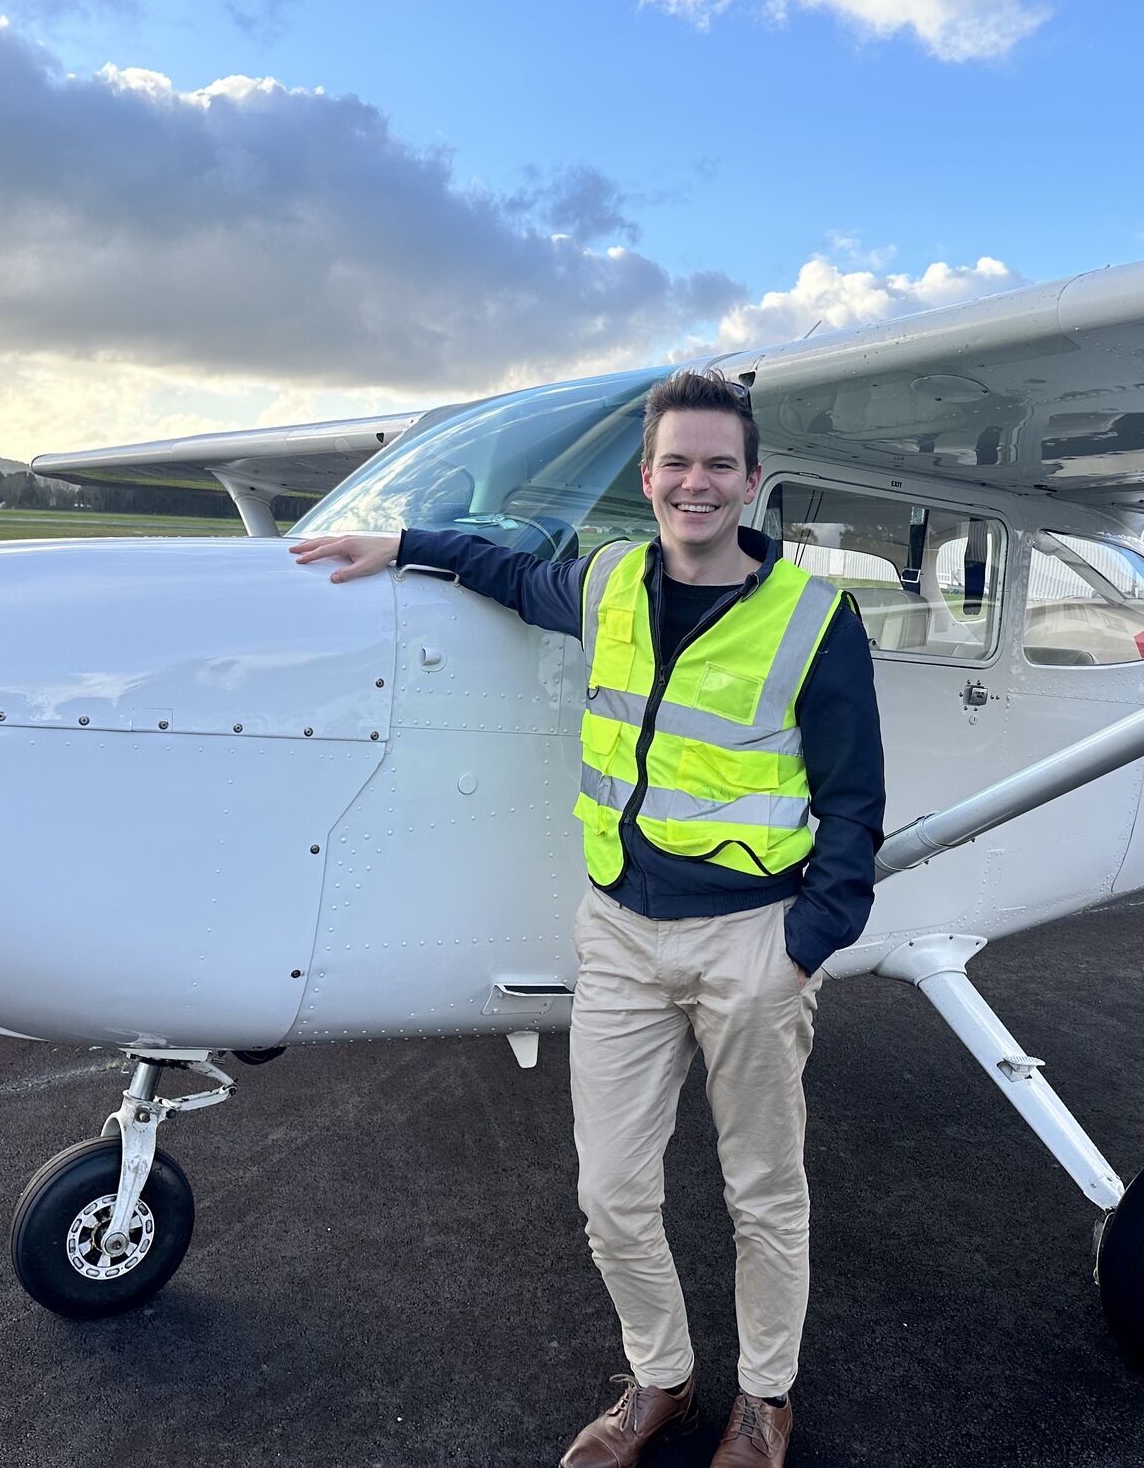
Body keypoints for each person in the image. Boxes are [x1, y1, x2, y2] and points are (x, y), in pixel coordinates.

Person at [291, 369, 884, 1468]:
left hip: (750, 940)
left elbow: (855, 807)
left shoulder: (813, 619)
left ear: (752, 481)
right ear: (647, 476)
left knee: (764, 1196)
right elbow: (514, 575)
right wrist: (405, 543)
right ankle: (662, 1378)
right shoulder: (609, 580)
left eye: (718, 464)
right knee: (609, 1194)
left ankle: (764, 1403)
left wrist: (801, 948)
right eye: (675, 463)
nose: (695, 483)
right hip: (619, 931)